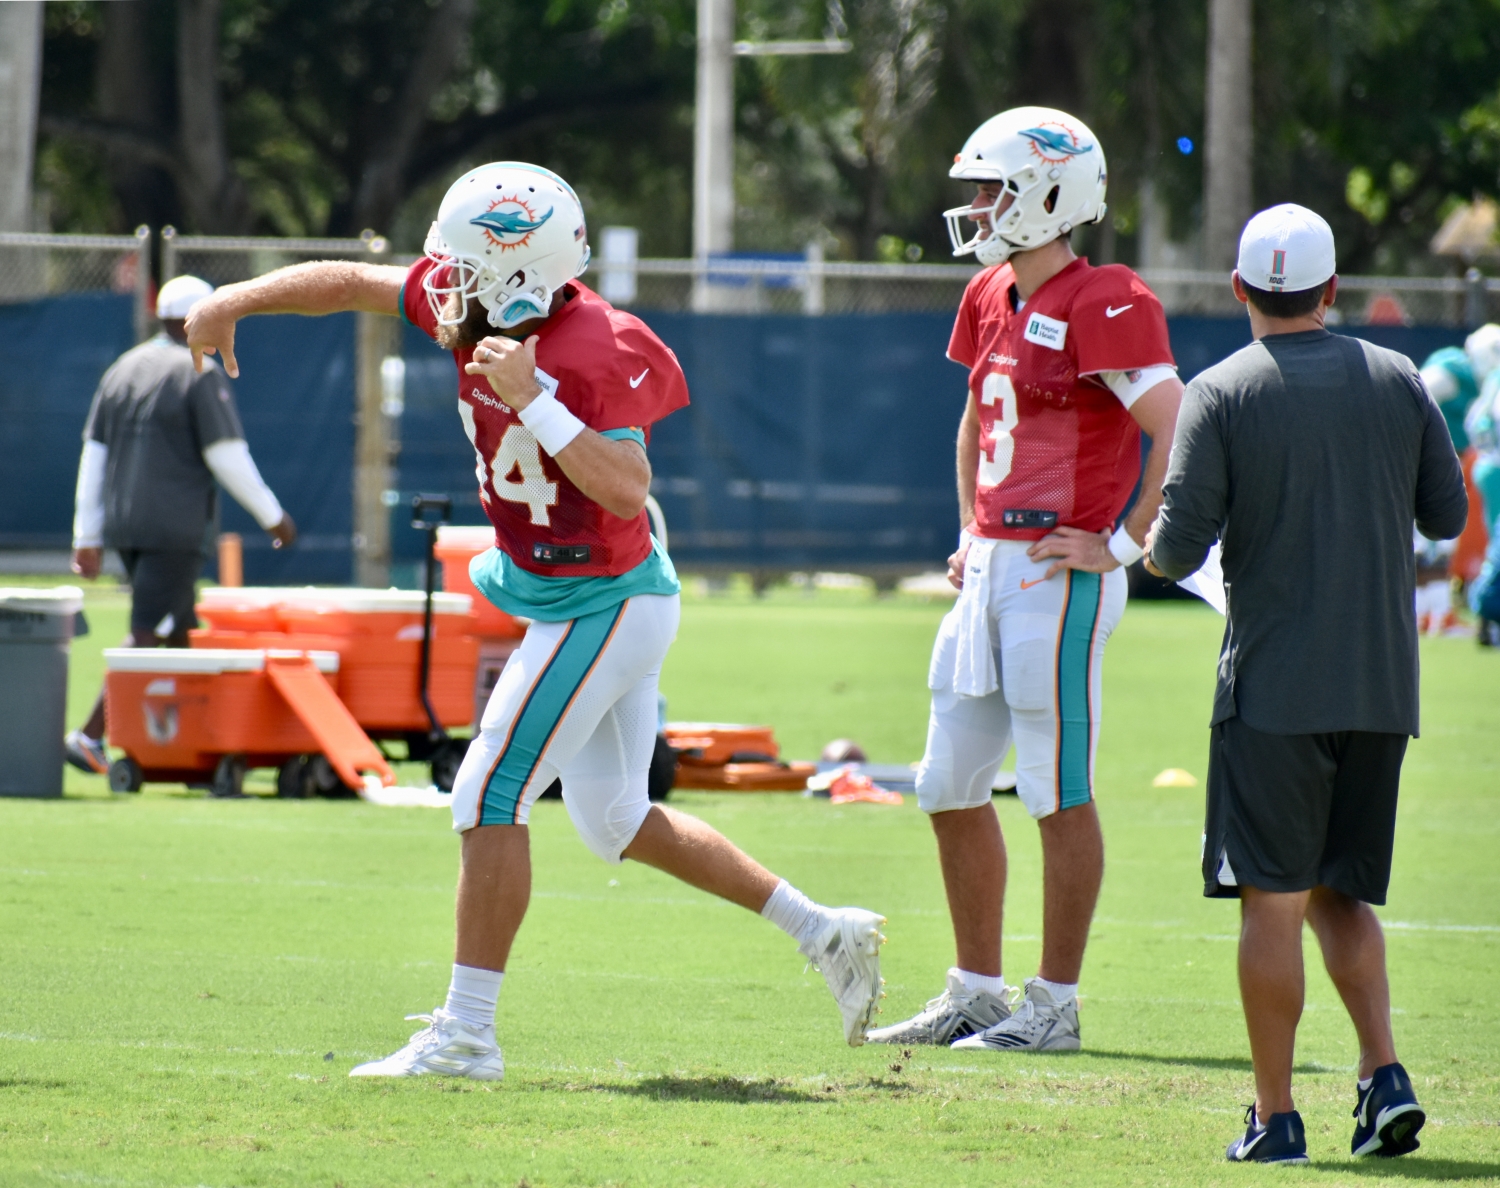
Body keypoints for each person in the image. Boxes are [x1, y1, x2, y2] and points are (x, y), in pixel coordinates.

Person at [183, 162, 887, 1079]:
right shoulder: (472, 298)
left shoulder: (598, 345)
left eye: (469, 270)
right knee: (615, 820)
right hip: (575, 592)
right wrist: (237, 297)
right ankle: (825, 932)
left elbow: (630, 490)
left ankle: (468, 1034)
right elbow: (355, 281)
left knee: (485, 793)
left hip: (609, 595)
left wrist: (535, 400)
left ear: (523, 273)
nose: (448, 289)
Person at [1145, 204, 1467, 1163]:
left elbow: (1174, 548)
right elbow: (1446, 515)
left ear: (1242, 290)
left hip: (1275, 690)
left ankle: (1277, 1116)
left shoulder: (1218, 391)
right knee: (1342, 894)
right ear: (1330, 292)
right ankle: (1381, 1077)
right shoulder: (1400, 378)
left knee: (1273, 900)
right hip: (1380, 686)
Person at [868, 107, 1183, 1052]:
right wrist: (969, 526)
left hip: (1060, 568)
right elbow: (974, 421)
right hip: (994, 563)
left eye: (993, 189)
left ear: (1050, 195)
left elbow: (1179, 421)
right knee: (947, 782)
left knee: (1055, 788)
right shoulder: (991, 293)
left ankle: (1055, 1004)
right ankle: (976, 990)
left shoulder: (1108, 295)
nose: (976, 207)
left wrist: (1127, 542)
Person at [65, 274, 296, 781]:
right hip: (174, 529)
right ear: (199, 319)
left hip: (126, 526)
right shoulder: (198, 370)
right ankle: (88, 736)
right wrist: (273, 516)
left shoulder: (122, 369)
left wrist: (88, 535)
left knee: (179, 629)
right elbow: (228, 458)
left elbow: (94, 458)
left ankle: (189, 747)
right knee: (147, 630)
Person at [1415, 325, 1500, 627]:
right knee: (1425, 541)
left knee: (1442, 541)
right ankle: (1426, 613)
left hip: (1449, 467)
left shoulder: (1486, 384)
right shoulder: (1454, 372)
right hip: (1423, 465)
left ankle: (1436, 614)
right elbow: (1413, 397)